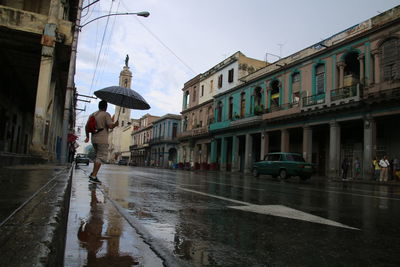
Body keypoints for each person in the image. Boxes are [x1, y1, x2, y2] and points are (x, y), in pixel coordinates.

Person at [85, 100, 119, 184]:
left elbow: (86, 126)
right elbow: (110, 126)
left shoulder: (92, 114)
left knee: (97, 156)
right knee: (100, 157)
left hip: (94, 138)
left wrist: (87, 137)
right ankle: (93, 176)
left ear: (99, 106)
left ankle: (93, 174)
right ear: (106, 107)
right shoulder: (106, 114)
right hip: (102, 139)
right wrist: (116, 124)